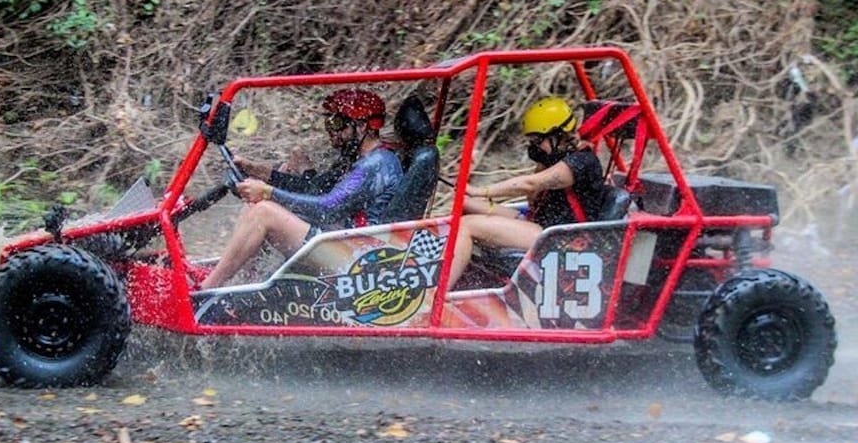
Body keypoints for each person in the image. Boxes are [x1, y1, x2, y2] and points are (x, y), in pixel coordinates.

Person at [199, 89, 403, 289]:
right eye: (328, 123)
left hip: (356, 258)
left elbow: (327, 208)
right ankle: (242, 284)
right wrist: (259, 171)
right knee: (255, 207)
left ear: (361, 126)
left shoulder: (375, 164)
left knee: (263, 212)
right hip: (344, 243)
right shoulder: (360, 159)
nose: (331, 132)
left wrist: (269, 192)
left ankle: (204, 292)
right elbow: (315, 191)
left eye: (336, 123)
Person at [446, 96, 606, 290]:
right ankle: (462, 277)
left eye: (538, 140)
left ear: (558, 135)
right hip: (538, 222)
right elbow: (533, 200)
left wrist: (480, 190)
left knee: (466, 226)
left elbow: (529, 184)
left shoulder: (581, 162)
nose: (535, 147)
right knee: (467, 204)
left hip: (562, 237)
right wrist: (470, 196)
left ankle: (438, 294)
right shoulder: (553, 159)